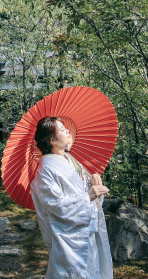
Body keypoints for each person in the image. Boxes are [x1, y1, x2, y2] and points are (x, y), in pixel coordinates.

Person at [30, 116, 113, 279]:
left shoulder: (73, 162)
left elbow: (87, 196)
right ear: (52, 140)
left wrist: (93, 184)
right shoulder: (46, 171)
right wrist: (88, 195)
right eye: (62, 129)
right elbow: (57, 206)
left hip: (86, 233)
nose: (67, 131)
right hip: (68, 239)